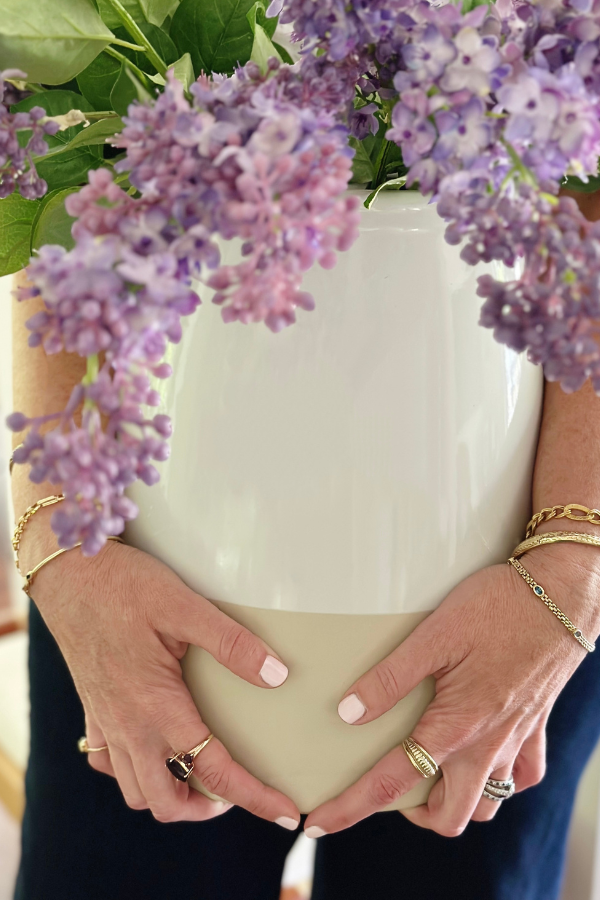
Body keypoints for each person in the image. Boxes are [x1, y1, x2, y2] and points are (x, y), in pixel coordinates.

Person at [10, 189, 600, 900]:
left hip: (523, 541)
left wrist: (576, 560)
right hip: (132, 550)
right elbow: (45, 140)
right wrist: (57, 537)